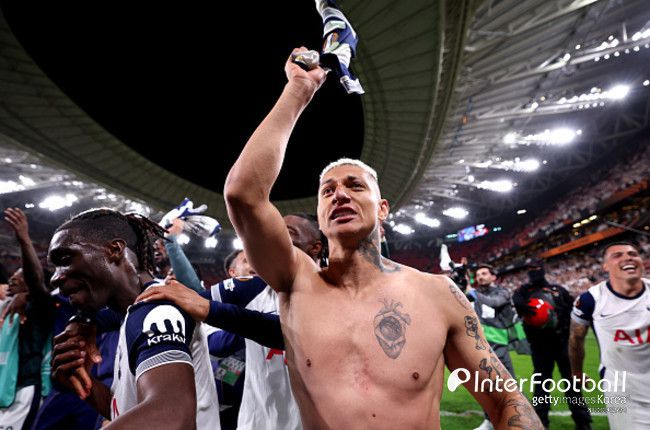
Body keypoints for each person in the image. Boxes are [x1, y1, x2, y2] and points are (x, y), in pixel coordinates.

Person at [220, 47, 542, 429]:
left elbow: (505, 401)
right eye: (327, 191)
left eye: (354, 186)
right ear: (320, 217)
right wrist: (299, 90)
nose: (339, 195)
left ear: (383, 208)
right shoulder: (296, 281)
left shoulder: (438, 294)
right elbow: (243, 194)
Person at [137, 213, 326, 430]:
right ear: (231, 272)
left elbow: (291, 332)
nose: (276, 236)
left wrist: (210, 310)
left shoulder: (336, 296)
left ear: (315, 247)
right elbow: (191, 299)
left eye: (288, 232)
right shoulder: (253, 288)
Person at [48, 208, 220, 429]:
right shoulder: (133, 313)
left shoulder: (156, 311)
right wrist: (86, 383)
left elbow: (172, 418)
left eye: (65, 259)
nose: (55, 278)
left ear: (114, 250)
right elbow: (129, 411)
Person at [569, 241, 650, 429]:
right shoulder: (591, 300)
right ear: (605, 266)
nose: (628, 258)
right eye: (617, 255)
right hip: (622, 387)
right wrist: (577, 372)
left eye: (633, 254)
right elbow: (576, 339)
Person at [513, 260, 591, 429]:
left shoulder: (559, 290)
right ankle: (541, 422)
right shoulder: (524, 292)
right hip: (540, 346)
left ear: (543, 270)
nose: (533, 272)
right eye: (530, 269)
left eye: (536, 268)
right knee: (541, 385)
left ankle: (583, 421)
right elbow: (516, 299)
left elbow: (574, 313)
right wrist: (519, 301)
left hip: (562, 343)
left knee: (572, 384)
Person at [0, 208, 55, 430]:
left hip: (23, 391)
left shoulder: (39, 307)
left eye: (19, 277)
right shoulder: (5, 307)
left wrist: (24, 239)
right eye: (12, 277)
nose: (12, 280)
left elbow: (36, 281)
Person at [467, 264, 519, 430]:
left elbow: (494, 303)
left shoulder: (502, 292)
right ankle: (489, 420)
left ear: (493, 276)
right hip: (480, 346)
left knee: (509, 385)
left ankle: (520, 418)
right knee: (485, 385)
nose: (480, 277)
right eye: (478, 275)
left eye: (484, 273)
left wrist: (473, 292)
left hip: (499, 345)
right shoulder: (476, 294)